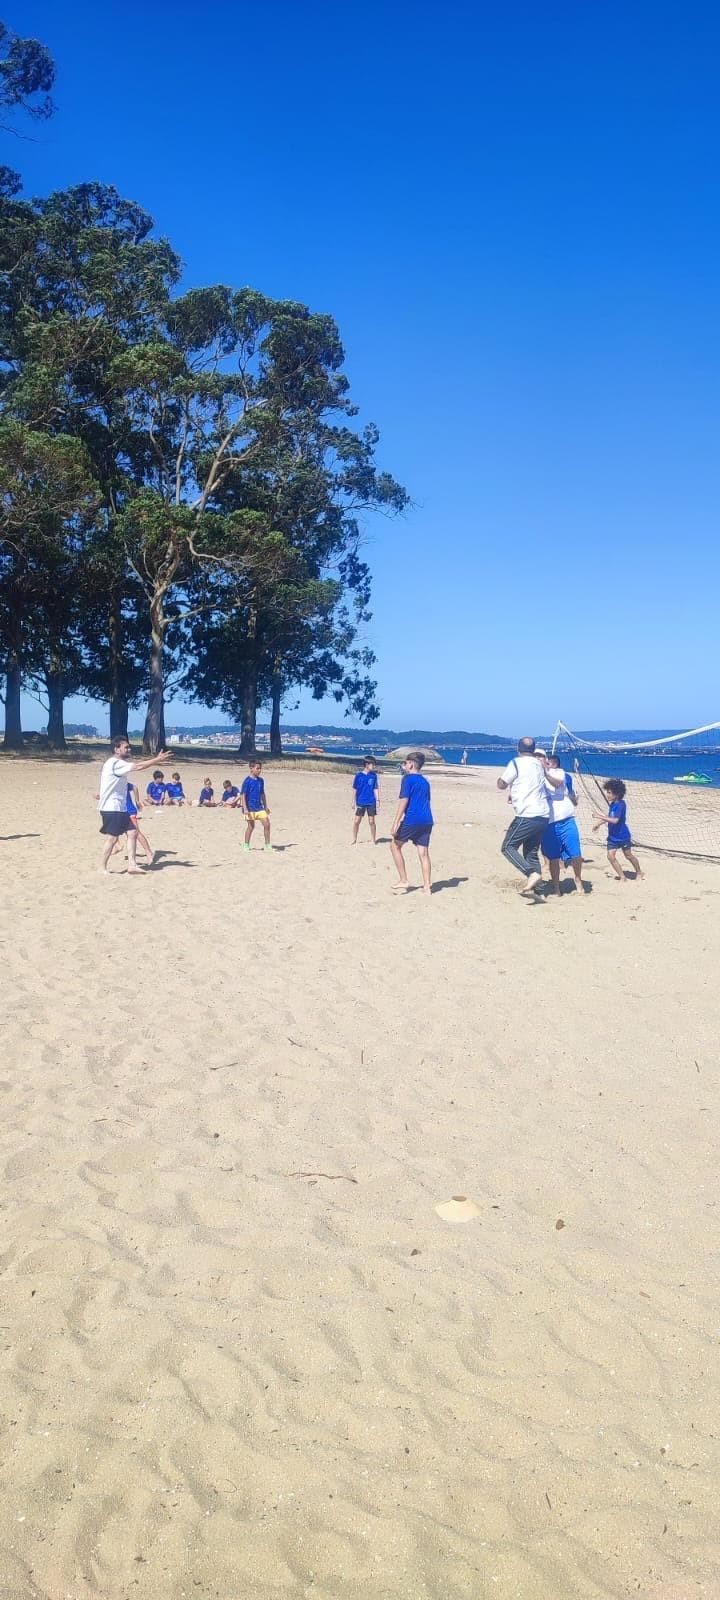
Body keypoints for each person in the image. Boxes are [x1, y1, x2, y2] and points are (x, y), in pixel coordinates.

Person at [497, 736, 564, 895]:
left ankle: (531, 874)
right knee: (531, 852)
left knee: (508, 847)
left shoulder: (516, 763)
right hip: (543, 815)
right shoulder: (539, 765)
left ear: (518, 749)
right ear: (533, 750)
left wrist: (502, 781)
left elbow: (502, 784)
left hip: (528, 814)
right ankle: (539, 890)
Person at [97, 736, 170, 874]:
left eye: (129, 747)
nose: (129, 749)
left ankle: (132, 865)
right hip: (112, 808)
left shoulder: (115, 763)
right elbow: (139, 766)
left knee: (132, 832)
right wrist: (157, 760)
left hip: (119, 807)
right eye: (126, 747)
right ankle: (102, 868)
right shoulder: (115, 763)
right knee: (112, 838)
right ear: (116, 749)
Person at [541, 753, 584, 896]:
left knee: (576, 854)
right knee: (553, 857)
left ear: (552, 764)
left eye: (546, 761)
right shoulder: (538, 775)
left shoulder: (559, 773)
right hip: (548, 823)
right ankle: (556, 887)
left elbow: (559, 783)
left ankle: (578, 879)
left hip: (566, 819)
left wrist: (545, 772)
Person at [390, 752, 433, 895]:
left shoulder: (408, 779)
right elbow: (426, 801)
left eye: (406, 762)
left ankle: (403, 880)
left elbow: (404, 801)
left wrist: (396, 822)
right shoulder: (425, 781)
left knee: (395, 845)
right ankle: (427, 886)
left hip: (413, 819)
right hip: (427, 820)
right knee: (423, 853)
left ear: (412, 764)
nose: (404, 765)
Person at [592, 779, 644, 882]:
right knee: (610, 856)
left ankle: (638, 872)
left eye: (610, 793)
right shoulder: (612, 804)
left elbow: (615, 820)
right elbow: (610, 816)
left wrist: (598, 816)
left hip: (623, 836)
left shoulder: (621, 804)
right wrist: (599, 823)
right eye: (607, 792)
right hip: (612, 837)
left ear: (617, 794)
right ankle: (622, 877)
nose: (607, 794)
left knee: (628, 855)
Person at [241, 761, 271, 850]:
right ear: (251, 768)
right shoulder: (247, 781)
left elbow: (262, 793)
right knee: (251, 827)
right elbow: (243, 795)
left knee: (267, 824)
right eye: (257, 768)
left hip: (259, 807)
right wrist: (245, 808)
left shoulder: (261, 780)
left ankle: (267, 845)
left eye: (260, 768)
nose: (259, 770)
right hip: (250, 808)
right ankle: (246, 844)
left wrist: (265, 806)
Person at [352, 757, 380, 844]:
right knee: (357, 821)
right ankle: (354, 839)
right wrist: (353, 801)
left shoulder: (373, 775)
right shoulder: (358, 775)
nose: (374, 766)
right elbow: (355, 789)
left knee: (371, 821)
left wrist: (378, 799)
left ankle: (373, 839)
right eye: (373, 764)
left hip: (371, 801)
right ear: (367, 765)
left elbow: (375, 788)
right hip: (361, 801)